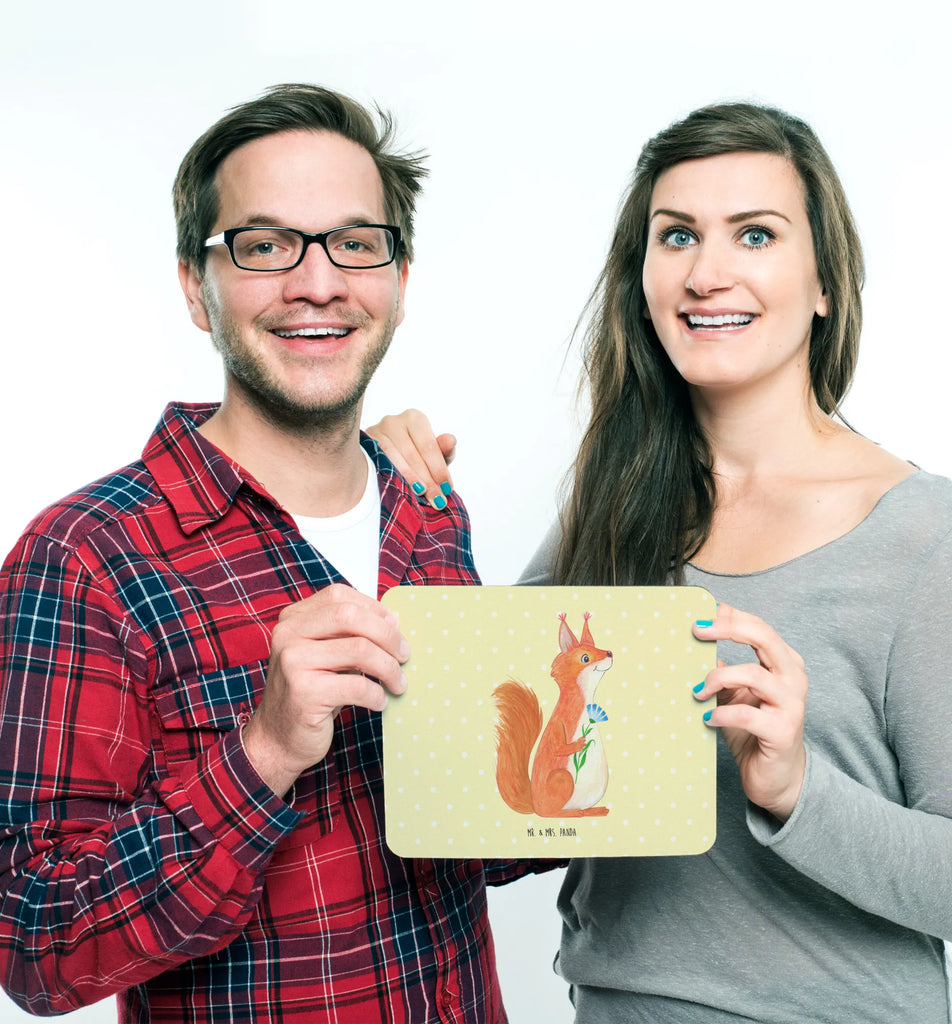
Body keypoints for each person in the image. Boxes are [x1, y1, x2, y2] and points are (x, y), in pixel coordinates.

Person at [367, 102, 952, 1023]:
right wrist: (386, 493)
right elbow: (467, 756)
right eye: (676, 235)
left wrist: (796, 789)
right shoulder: (612, 500)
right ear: (641, 278)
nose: (707, 273)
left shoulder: (920, 536)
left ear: (824, 282)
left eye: (755, 234)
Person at [0, 83, 548, 1023]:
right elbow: (34, 948)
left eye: (356, 243)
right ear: (196, 287)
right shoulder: (85, 559)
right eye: (264, 246)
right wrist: (263, 754)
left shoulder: (428, 509)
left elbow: (467, 844)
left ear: (400, 281)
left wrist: (633, 735)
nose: (318, 283)